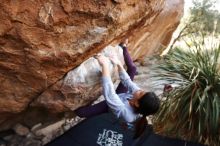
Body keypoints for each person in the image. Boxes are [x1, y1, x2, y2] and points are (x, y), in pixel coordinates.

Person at [75, 40, 160, 139]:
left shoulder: (127, 115)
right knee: (132, 70)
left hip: (111, 106)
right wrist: (119, 64)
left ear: (137, 104)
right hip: (122, 97)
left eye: (141, 92)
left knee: (81, 113)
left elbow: (110, 94)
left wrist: (105, 65)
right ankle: (124, 46)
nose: (139, 90)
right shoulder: (137, 97)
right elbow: (128, 81)